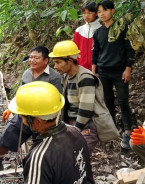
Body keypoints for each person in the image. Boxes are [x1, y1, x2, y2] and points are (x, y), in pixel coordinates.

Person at [8, 81, 97, 184]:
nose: (21, 121)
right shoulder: (75, 132)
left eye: (22, 117)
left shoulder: (40, 157)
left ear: (38, 121)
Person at [0, 46, 62, 172]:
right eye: (31, 57)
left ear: (45, 61)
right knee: (6, 137)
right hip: (24, 114)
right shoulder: (27, 73)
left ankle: (39, 169)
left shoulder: (54, 77)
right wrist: (11, 109)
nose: (32, 60)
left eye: (36, 58)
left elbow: (58, 98)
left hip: (43, 117)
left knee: (40, 144)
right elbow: (21, 92)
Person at [49, 40, 119, 155]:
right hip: (73, 123)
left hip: (86, 125)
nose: (55, 66)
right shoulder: (67, 76)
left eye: (58, 62)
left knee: (79, 158)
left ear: (70, 61)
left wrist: (76, 129)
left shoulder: (85, 77)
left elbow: (86, 109)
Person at [92, 0, 135, 149]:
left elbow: (130, 50)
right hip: (103, 71)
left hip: (119, 71)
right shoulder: (98, 32)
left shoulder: (122, 28)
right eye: (99, 12)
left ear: (113, 11)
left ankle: (127, 131)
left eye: (104, 10)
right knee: (108, 101)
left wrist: (128, 68)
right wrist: (94, 72)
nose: (101, 13)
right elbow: (95, 53)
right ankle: (112, 131)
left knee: (123, 101)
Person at [73, 1, 101, 70]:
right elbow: (75, 50)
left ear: (96, 13)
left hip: (99, 69)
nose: (86, 16)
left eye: (89, 13)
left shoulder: (101, 29)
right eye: (84, 13)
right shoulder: (79, 30)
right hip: (81, 68)